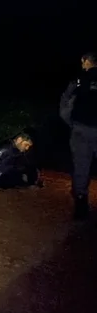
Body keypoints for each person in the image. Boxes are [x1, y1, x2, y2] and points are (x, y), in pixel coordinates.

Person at [59, 52, 97, 219]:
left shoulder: (78, 81)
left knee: (81, 166)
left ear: (86, 61)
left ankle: (81, 204)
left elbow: (66, 104)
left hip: (81, 129)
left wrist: (72, 123)